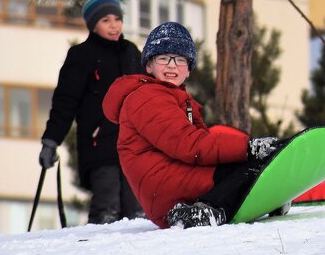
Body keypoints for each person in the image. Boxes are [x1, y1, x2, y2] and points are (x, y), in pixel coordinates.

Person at [101, 21, 259, 228]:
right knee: (245, 173)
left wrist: (245, 151)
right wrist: (248, 148)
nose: (172, 65)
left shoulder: (179, 100)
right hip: (166, 189)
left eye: (180, 59)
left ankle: (246, 201)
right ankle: (203, 211)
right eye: (164, 58)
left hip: (175, 178)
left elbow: (206, 145)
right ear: (149, 65)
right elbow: (190, 145)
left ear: (189, 69)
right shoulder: (147, 97)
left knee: (244, 170)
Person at [39, 0, 144, 224]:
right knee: (107, 206)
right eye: (106, 20)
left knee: (137, 209)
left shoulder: (131, 53)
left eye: (117, 18)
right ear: (93, 24)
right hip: (99, 143)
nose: (114, 25)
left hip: (134, 144)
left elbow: (148, 98)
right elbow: (65, 101)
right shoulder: (81, 56)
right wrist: (51, 141)